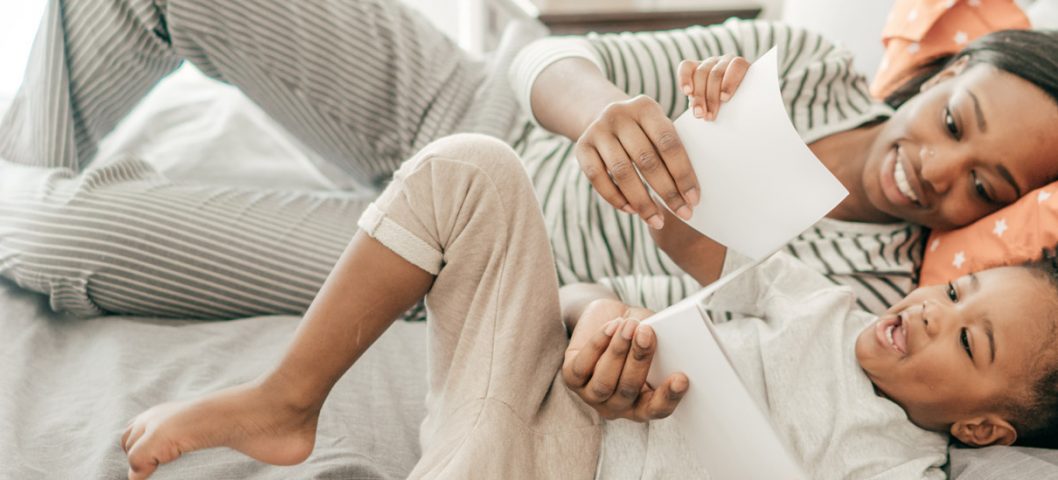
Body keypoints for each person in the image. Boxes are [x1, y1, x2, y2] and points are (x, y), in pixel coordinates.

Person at [3, 0, 1058, 321]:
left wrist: (680, 226)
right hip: (462, 107)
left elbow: (638, 312)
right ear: (940, 76)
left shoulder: (878, 294)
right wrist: (598, 109)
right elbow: (556, 57)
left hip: (463, 254)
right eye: (956, 124)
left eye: (985, 187)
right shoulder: (796, 63)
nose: (936, 172)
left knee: (71, 233)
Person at [120, 132, 1058, 479]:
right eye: (956, 289)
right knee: (474, 167)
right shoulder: (830, 301)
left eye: (968, 338)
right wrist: (699, 143)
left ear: (980, 428)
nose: (934, 310)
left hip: (567, 468)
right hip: (533, 382)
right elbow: (693, 235)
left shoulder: (893, 465)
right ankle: (285, 403)